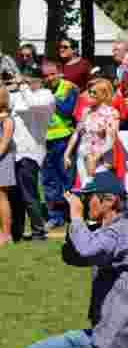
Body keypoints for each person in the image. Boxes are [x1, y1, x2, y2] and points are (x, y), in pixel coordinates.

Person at [23, 171, 128, 348]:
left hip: (111, 340)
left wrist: (76, 217)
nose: (85, 203)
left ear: (110, 201)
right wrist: (74, 225)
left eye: (89, 197)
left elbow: (85, 250)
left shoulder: (118, 234)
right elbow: (74, 257)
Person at [10, 70, 53, 241]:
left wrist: (22, 85)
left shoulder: (46, 95)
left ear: (39, 81)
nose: (26, 83)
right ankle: (16, 231)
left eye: (29, 80)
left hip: (31, 151)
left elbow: (33, 104)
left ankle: (38, 231)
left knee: (29, 194)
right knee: (15, 195)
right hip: (13, 151)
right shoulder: (19, 95)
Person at [40, 60, 79, 230]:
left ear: (60, 72)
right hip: (44, 140)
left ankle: (71, 214)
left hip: (64, 139)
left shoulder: (69, 88)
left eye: (52, 74)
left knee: (66, 178)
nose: (49, 78)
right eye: (46, 76)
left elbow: (68, 110)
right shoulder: (39, 89)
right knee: (48, 180)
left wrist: (50, 99)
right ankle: (55, 216)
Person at [64, 78, 119, 187]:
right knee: (85, 189)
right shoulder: (86, 111)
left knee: (98, 191)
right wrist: (67, 153)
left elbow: (111, 139)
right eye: (89, 91)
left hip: (101, 159)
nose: (90, 94)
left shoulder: (112, 112)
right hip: (82, 155)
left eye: (94, 92)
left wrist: (95, 157)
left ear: (104, 95)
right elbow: (76, 133)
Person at [0, 88, 14, 245]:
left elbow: (4, 144)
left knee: (1, 196)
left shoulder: (7, 120)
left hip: (2, 160)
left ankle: (6, 234)